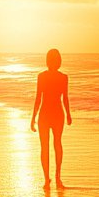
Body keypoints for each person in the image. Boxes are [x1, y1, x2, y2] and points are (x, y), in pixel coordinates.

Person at [30, 48, 72, 188]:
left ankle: (55, 177)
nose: (53, 62)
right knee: (49, 146)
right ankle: (49, 178)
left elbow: (65, 98)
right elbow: (38, 98)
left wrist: (69, 114)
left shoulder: (49, 77)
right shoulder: (58, 77)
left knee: (54, 145)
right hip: (50, 114)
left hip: (52, 114)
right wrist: (33, 118)